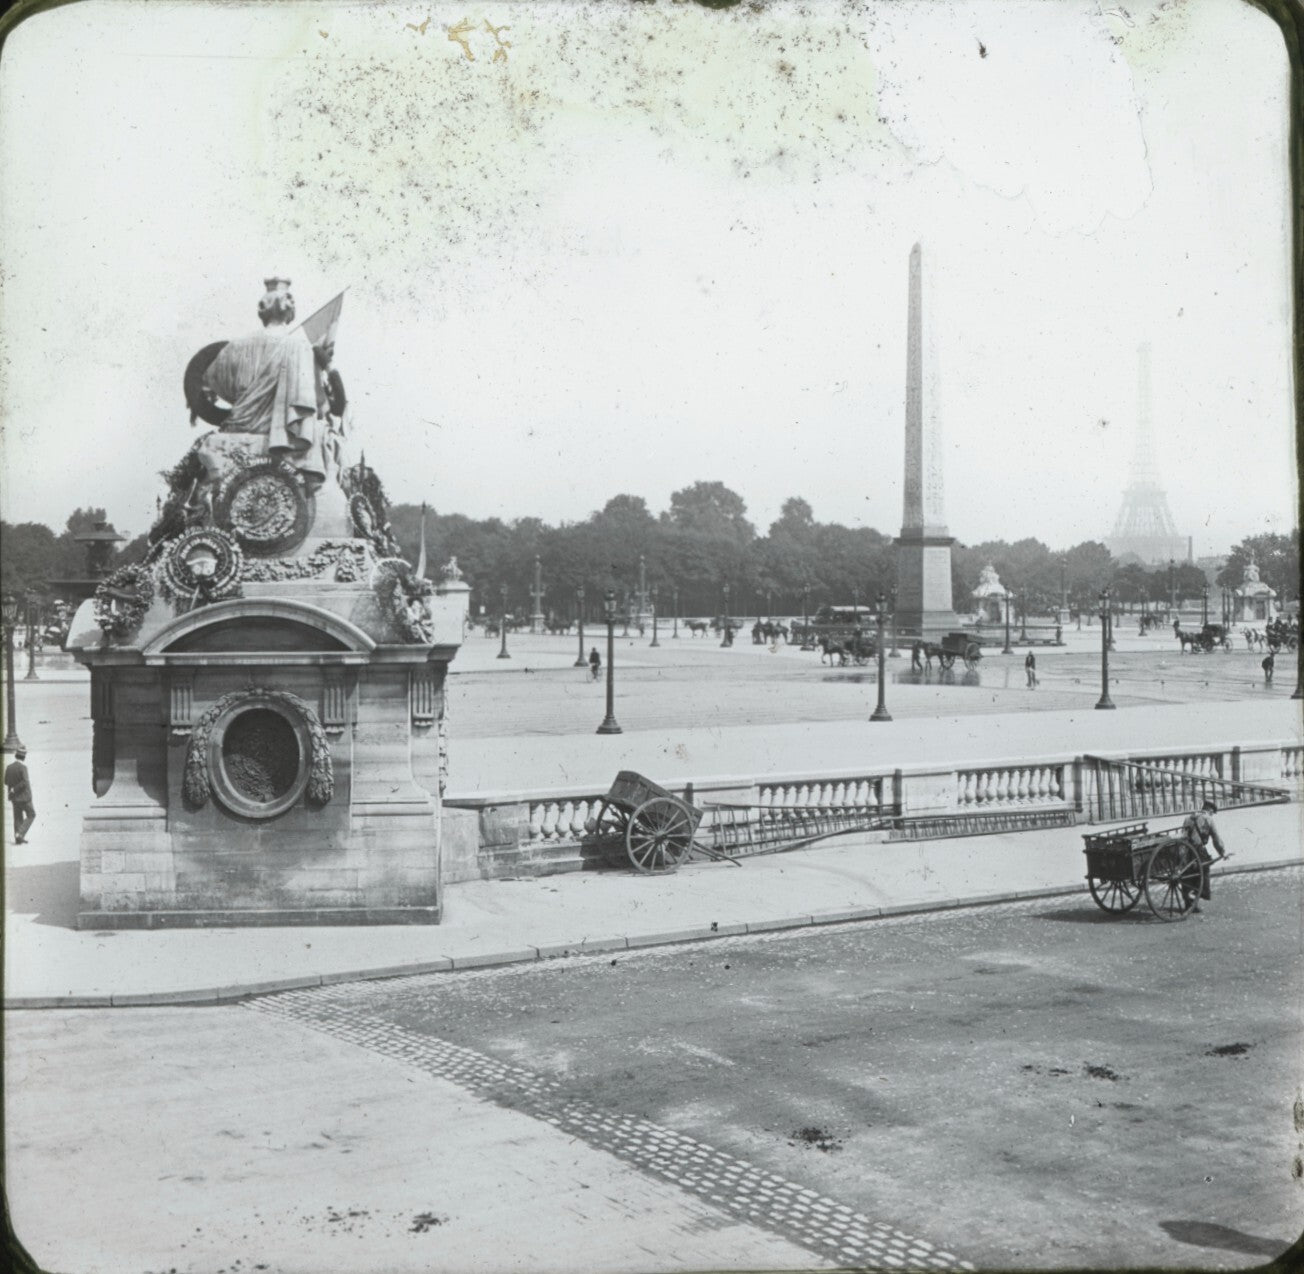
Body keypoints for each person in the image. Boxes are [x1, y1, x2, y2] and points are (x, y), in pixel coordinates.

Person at [1180, 798, 1225, 912]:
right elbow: (1216, 839)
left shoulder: (1188, 817)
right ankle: (1200, 893)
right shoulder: (1208, 819)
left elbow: (1183, 834)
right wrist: (1222, 852)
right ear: (1210, 810)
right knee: (1204, 871)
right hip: (1198, 850)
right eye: (1212, 813)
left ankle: (1188, 903)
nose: (1212, 815)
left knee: (1186, 875)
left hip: (1185, 850)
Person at [4, 746, 35, 845]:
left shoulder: (9, 767)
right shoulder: (23, 768)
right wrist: (15, 788)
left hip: (14, 798)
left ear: (16, 755)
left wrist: (12, 789)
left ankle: (18, 839)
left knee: (17, 817)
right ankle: (20, 834)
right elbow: (25, 782)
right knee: (31, 814)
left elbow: (5, 781)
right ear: (24, 757)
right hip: (24, 797)